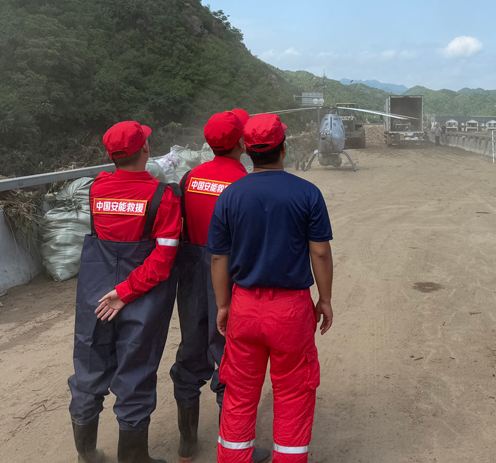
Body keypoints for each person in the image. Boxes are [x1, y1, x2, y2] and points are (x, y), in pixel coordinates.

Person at [208, 114, 334, 463]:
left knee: (239, 395)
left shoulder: (230, 196)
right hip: (291, 311)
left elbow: (219, 258)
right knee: (293, 394)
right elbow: (320, 251)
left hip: (244, 306)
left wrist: (223, 305)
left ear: (247, 150)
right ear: (284, 147)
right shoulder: (307, 193)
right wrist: (324, 300)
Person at [68, 121, 182, 463]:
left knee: (89, 367)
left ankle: (87, 454)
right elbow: (163, 259)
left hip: (95, 293)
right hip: (141, 295)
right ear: (146, 150)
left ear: (109, 155)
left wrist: (115, 290)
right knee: (135, 371)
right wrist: (127, 290)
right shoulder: (164, 197)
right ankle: (133, 459)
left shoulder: (97, 189)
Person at [170, 111, 269, 463]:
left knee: (192, 349)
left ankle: (187, 443)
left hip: (192, 274)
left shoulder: (189, 178)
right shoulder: (246, 183)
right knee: (232, 357)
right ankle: (234, 447)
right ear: (242, 143)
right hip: (231, 275)